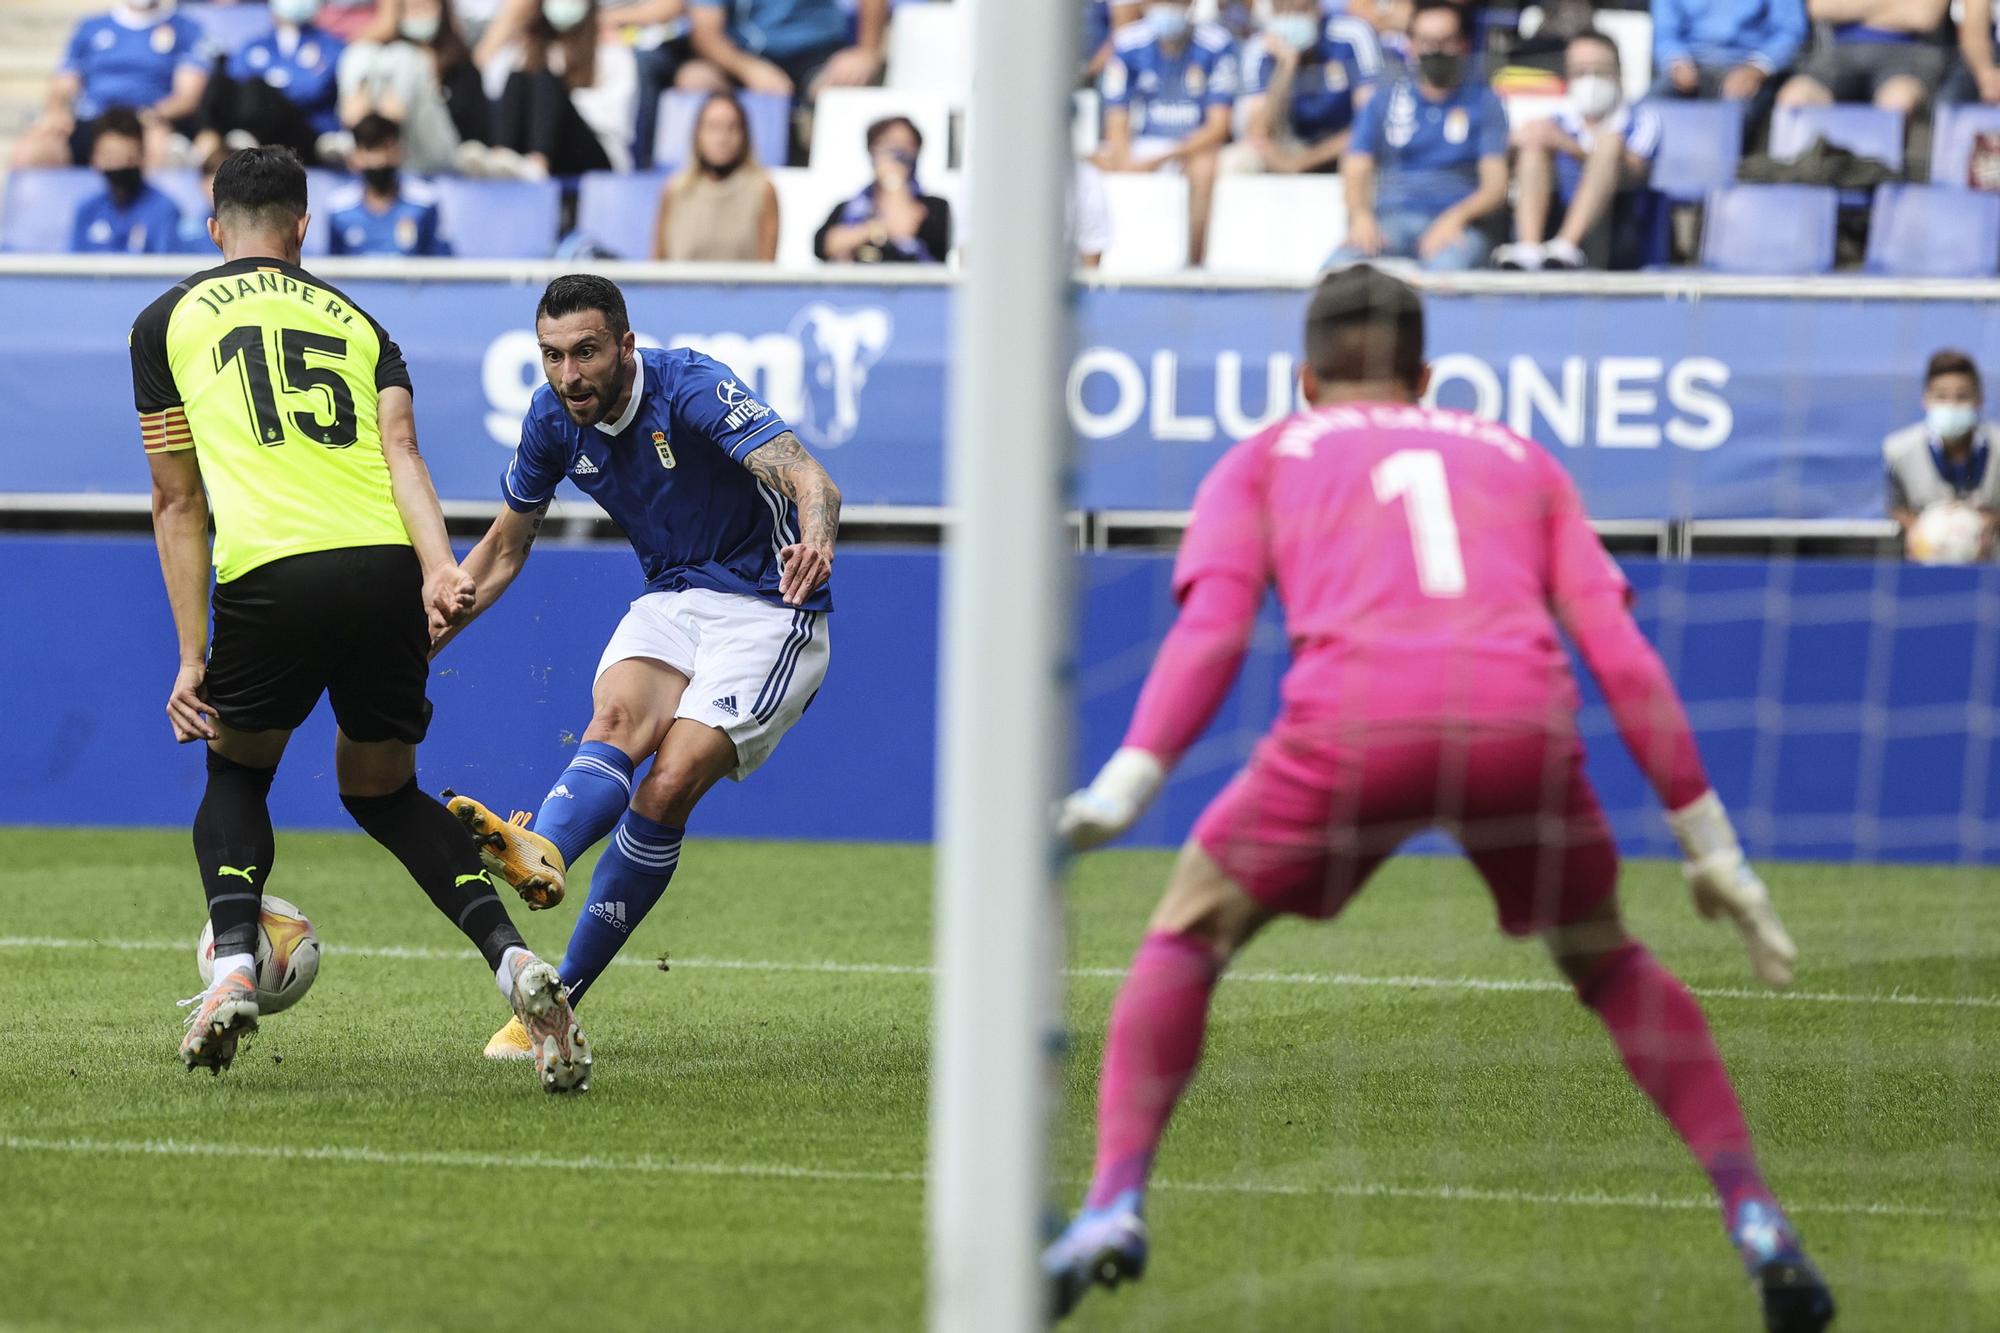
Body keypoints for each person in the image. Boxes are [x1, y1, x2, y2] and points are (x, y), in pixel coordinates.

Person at [1040, 265, 1836, 1333]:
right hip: (1520, 726)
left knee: (1187, 930)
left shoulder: (1266, 454)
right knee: (1605, 959)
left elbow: (1212, 628)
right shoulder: (1519, 457)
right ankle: (1757, 1224)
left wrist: (1127, 780)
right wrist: (1711, 845)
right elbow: (1618, 653)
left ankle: (1109, 1206)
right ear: (1425, 377)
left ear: (1299, 376)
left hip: (1351, 725)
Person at [129, 147, 589, 1091]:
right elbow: (403, 451)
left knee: (237, 774)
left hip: (271, 572)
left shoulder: (163, 321)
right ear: (303, 227)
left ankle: (230, 969)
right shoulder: (363, 323)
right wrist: (436, 569)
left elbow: (178, 504)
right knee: (381, 790)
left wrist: (191, 656)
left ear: (216, 230)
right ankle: (515, 965)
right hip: (384, 570)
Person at [431, 274, 841, 1061]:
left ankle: (555, 999)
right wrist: (425, 642)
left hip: (768, 609)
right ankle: (540, 852)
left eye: (585, 352)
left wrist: (815, 539)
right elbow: (503, 549)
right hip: (674, 598)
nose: (568, 375)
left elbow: (809, 478)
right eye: (551, 355)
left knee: (668, 781)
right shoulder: (553, 417)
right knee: (615, 720)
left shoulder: (686, 385)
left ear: (624, 343)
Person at [1336, 1, 1509, 271]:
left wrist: (1455, 218)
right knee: (1339, 270)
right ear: (1411, 45)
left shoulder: (1485, 102)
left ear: (1463, 44)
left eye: (1445, 41)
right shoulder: (1384, 99)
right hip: (1390, 220)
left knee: (1445, 274)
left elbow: (1494, 187)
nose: (1435, 51)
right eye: (1427, 41)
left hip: (1458, 227)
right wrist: (1360, 217)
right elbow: (1356, 166)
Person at [1493, 31, 1663, 271]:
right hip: (1554, 218)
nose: (1589, 80)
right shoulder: (1557, 119)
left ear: (1618, 73)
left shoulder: (1641, 119)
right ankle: (1529, 248)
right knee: (1533, 148)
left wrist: (1567, 145)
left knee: (1609, 144)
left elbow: (1634, 171)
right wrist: (1516, 143)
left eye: (1599, 71)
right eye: (1580, 72)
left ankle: (1566, 245)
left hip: (1617, 226)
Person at [1097, 0, 1239, 265]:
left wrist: (1162, 157)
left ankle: (1194, 262)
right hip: (1145, 145)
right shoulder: (1129, 42)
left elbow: (1218, 127)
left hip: (1191, 147)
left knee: (1204, 168)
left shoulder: (1216, 43)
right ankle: (1090, 264)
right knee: (1085, 163)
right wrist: (1125, 156)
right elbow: (1116, 115)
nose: (1165, 7)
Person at [12, 0, 211, 170]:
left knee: (158, 146)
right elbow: (63, 84)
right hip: (92, 119)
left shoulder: (186, 29)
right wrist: (57, 112)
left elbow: (187, 97)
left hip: (145, 120)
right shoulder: (91, 26)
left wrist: (153, 114)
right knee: (31, 151)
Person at [1225, 0, 1384, 176]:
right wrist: (1285, 67)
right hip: (1290, 145)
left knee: (1360, 159)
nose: (1291, 18)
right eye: (1282, 10)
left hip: (1341, 142)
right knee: (1237, 161)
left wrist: (1303, 162)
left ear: (1318, 9)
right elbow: (1257, 130)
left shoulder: (1352, 35)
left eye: (1300, 10)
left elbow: (1370, 121)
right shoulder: (1260, 48)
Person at [337, 0, 490, 176]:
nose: (418, 16)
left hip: (442, 152)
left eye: (425, 8)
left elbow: (475, 125)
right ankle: (359, 142)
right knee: (360, 52)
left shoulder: (459, 63)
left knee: (406, 57)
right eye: (411, 9)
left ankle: (371, 142)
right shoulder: (386, 58)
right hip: (389, 140)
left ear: (442, 11)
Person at [487, 0, 640, 175]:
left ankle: (539, 162)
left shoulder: (611, 51)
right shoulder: (530, 50)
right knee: (518, 77)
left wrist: (557, 104)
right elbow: (493, 89)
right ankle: (500, 158)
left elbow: (615, 121)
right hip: (535, 148)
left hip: (595, 151)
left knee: (546, 81)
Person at [196, 0, 348, 164]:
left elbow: (314, 88)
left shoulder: (330, 46)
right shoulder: (255, 44)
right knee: (221, 80)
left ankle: (245, 139)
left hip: (303, 128)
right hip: (252, 121)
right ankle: (207, 142)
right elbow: (236, 86)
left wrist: (273, 88)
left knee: (260, 88)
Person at [1884, 350, 2000, 556]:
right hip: (1927, 563)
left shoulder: (1996, 446)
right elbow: (1896, 507)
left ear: (1980, 399)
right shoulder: (1899, 450)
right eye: (1941, 396)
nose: (1952, 404)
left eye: (1962, 396)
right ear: (1926, 399)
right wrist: (1923, 527)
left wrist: (1988, 521)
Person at [652, 92, 779, 261]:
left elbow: (767, 271)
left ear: (745, 136)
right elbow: (657, 266)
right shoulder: (675, 189)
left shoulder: (762, 191)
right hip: (684, 287)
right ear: (697, 134)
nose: (722, 138)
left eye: (732, 127)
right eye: (713, 127)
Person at [679, 0, 886, 102]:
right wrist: (749, 70)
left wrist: (866, 51)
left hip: (816, 53)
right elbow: (705, 33)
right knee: (695, 79)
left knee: (844, 86)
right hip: (740, 57)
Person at [814, 115, 953, 264]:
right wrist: (875, 230)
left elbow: (903, 229)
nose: (896, 153)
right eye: (888, 143)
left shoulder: (936, 207)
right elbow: (825, 246)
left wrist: (894, 182)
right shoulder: (848, 207)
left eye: (905, 145)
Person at [1776, 0, 1950, 115]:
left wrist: (1855, 8)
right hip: (1838, 54)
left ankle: (1883, 171)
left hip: (1908, 55)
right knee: (1795, 97)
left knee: (1898, 101)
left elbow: (1924, 17)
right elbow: (1818, 7)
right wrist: (1896, 5)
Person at [328, 114, 453, 255]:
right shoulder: (339, 207)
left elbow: (442, 263)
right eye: (372, 149)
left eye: (387, 148)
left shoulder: (425, 201)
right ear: (356, 156)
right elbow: (334, 266)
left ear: (400, 151)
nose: (380, 159)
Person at [72, 108, 184, 255]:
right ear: (94, 159)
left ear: (143, 156)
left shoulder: (164, 210)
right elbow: (74, 269)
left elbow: (167, 269)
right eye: (111, 157)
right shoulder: (87, 211)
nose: (120, 166)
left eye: (129, 158)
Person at [1653, 0, 1806, 102]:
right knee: (1643, 116)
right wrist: (1677, 62)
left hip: (1748, 67)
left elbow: (1790, 31)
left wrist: (1757, 67)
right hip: (1690, 66)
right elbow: (1665, 33)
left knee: (1727, 126)